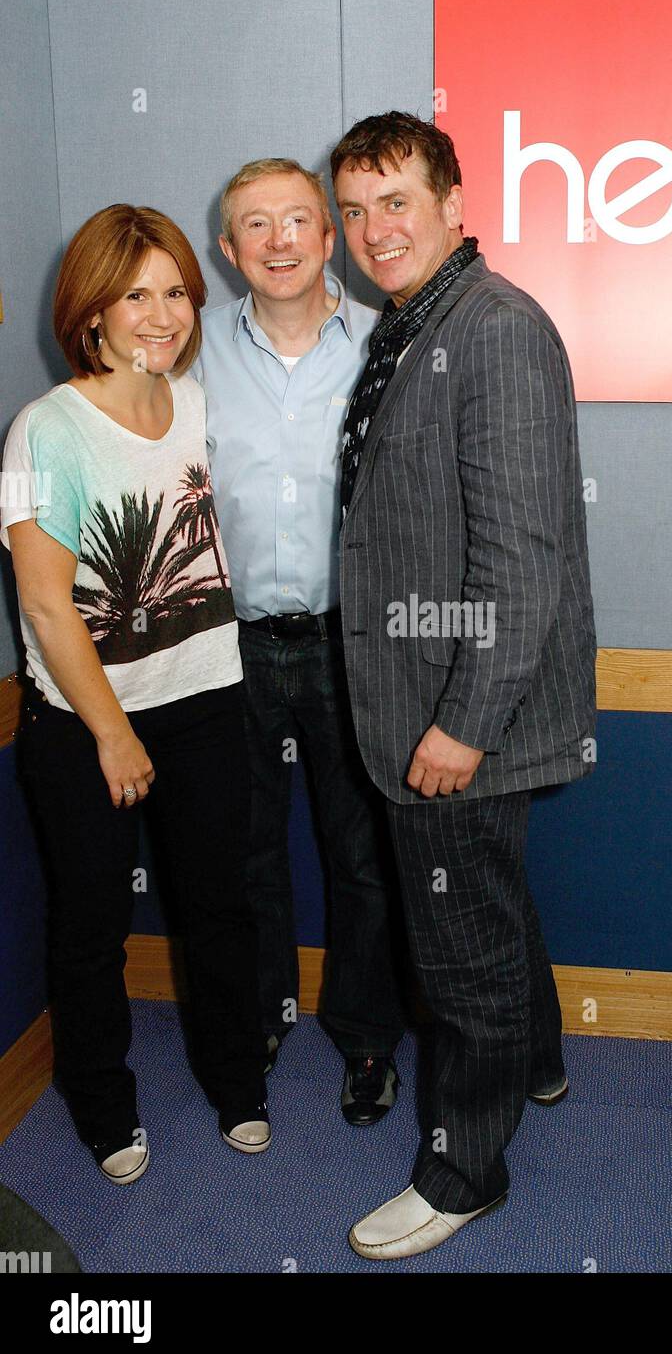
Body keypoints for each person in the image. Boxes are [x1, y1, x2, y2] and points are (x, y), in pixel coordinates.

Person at [331, 112, 598, 1258]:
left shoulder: (490, 331)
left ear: (450, 202)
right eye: (354, 209)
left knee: (458, 951)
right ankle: (534, 1062)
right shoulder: (418, 324)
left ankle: (462, 1169)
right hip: (431, 696)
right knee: (487, 908)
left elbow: (520, 556)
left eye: (395, 201)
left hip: (456, 717)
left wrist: (459, 724)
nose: (369, 230)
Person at [0, 205, 269, 1184]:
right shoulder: (40, 431)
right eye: (135, 295)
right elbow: (43, 600)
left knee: (219, 910)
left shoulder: (195, 404)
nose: (161, 315)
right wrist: (113, 734)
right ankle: (104, 1108)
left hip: (204, 699)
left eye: (175, 293)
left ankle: (238, 1082)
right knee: (91, 928)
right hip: (83, 724)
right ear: (91, 313)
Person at [193, 159, 408, 1123]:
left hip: (351, 644)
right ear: (228, 249)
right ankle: (263, 1017)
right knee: (245, 853)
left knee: (362, 851)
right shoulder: (186, 352)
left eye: (296, 222)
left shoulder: (392, 346)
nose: (278, 241)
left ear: (330, 238)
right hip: (227, 644)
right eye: (254, 226)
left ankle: (367, 1039)